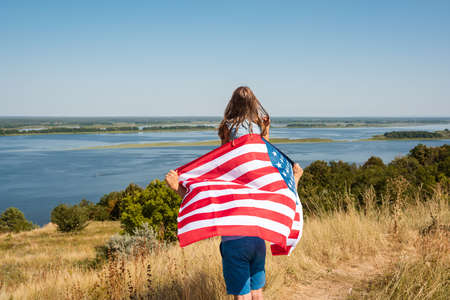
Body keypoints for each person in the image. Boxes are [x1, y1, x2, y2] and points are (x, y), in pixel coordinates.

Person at [165, 86, 303, 300]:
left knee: (241, 295)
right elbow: (264, 152)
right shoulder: (258, 188)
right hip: (258, 239)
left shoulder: (225, 184)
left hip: (234, 243)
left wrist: (178, 188)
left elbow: (207, 196)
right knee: (257, 292)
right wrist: (266, 132)